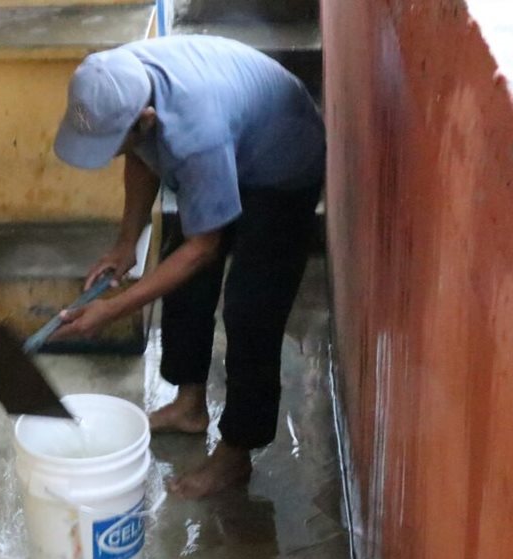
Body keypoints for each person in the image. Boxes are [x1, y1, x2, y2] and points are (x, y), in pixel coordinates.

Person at [50, 35, 325, 499]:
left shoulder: (196, 133)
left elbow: (204, 249)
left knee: (250, 306)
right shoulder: (118, 79)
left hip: (283, 161)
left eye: (114, 141)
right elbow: (140, 156)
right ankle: (190, 406)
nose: (114, 150)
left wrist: (112, 310)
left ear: (147, 120)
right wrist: (124, 246)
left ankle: (236, 452)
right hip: (236, 135)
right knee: (180, 280)